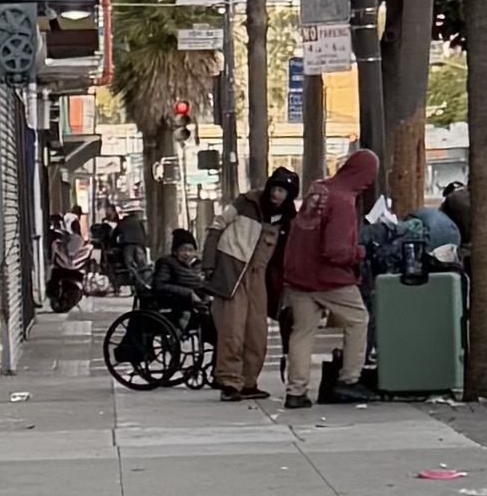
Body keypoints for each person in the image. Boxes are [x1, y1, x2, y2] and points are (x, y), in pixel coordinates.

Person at [282, 149, 379, 409]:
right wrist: (358, 253)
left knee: (302, 331)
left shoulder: (319, 190)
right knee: (358, 320)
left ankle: (296, 391)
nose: (369, 182)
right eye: (369, 176)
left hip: (297, 274)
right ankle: (348, 380)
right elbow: (335, 250)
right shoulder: (343, 201)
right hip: (328, 277)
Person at [202, 167, 299, 402]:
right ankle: (229, 381)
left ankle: (248, 381)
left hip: (261, 278)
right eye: (275, 189)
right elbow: (217, 227)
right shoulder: (245, 202)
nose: (277, 195)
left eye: (283, 191)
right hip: (233, 272)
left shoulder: (287, 220)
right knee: (232, 330)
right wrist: (210, 265)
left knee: (257, 333)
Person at [153, 229, 215, 339]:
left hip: (202, 305)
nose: (187, 254)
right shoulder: (167, 263)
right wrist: (188, 293)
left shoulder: (199, 265)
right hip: (178, 305)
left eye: (190, 250)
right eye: (183, 250)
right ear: (175, 251)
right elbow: (160, 285)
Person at [112, 203, 148, 280]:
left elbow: (114, 234)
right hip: (139, 244)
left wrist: (113, 244)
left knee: (129, 263)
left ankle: (132, 279)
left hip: (128, 245)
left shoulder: (123, 222)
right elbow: (144, 233)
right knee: (142, 264)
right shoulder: (139, 222)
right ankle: (145, 280)